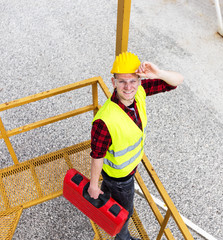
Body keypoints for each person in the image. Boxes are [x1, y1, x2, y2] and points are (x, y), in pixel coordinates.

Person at [88, 52, 184, 240]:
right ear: (113, 82)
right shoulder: (105, 120)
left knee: (111, 197)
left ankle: (105, 202)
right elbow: (97, 155)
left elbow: (177, 81)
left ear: (140, 81)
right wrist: (92, 185)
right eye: (122, 81)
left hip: (120, 171)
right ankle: (123, 238)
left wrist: (158, 72)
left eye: (133, 80)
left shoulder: (140, 92)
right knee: (126, 212)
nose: (128, 87)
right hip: (121, 177)